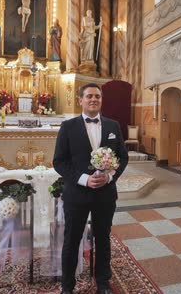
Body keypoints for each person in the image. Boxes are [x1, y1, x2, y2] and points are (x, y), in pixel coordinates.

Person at [53, 83, 129, 294]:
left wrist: (110, 176)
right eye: (89, 96)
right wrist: (84, 179)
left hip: (105, 194)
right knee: (72, 239)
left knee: (103, 238)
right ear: (80, 100)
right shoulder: (68, 127)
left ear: (101, 99)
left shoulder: (113, 126)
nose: (93, 99)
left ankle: (103, 283)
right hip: (77, 194)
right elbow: (59, 162)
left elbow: (123, 156)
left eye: (97, 96)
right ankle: (67, 286)